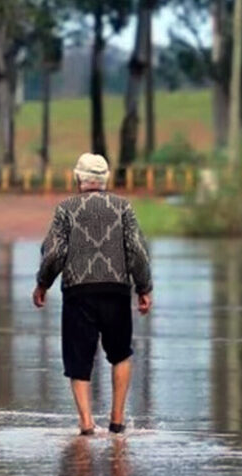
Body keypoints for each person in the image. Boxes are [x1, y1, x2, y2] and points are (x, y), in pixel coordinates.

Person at [33, 153, 153, 435]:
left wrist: (42, 284)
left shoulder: (66, 209)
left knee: (79, 359)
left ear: (78, 178)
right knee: (121, 354)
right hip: (117, 290)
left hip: (78, 292)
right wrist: (144, 287)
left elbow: (54, 253)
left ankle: (87, 423)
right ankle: (117, 421)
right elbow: (136, 249)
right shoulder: (123, 207)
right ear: (105, 180)